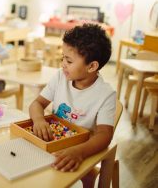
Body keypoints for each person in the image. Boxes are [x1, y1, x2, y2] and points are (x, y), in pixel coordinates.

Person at [29, 24, 115, 175]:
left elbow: (104, 135)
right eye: (63, 58)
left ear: (92, 66)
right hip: (52, 143)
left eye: (69, 61)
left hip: (81, 150)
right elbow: (37, 103)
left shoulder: (106, 94)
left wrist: (79, 152)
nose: (63, 64)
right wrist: (39, 120)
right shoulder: (60, 77)